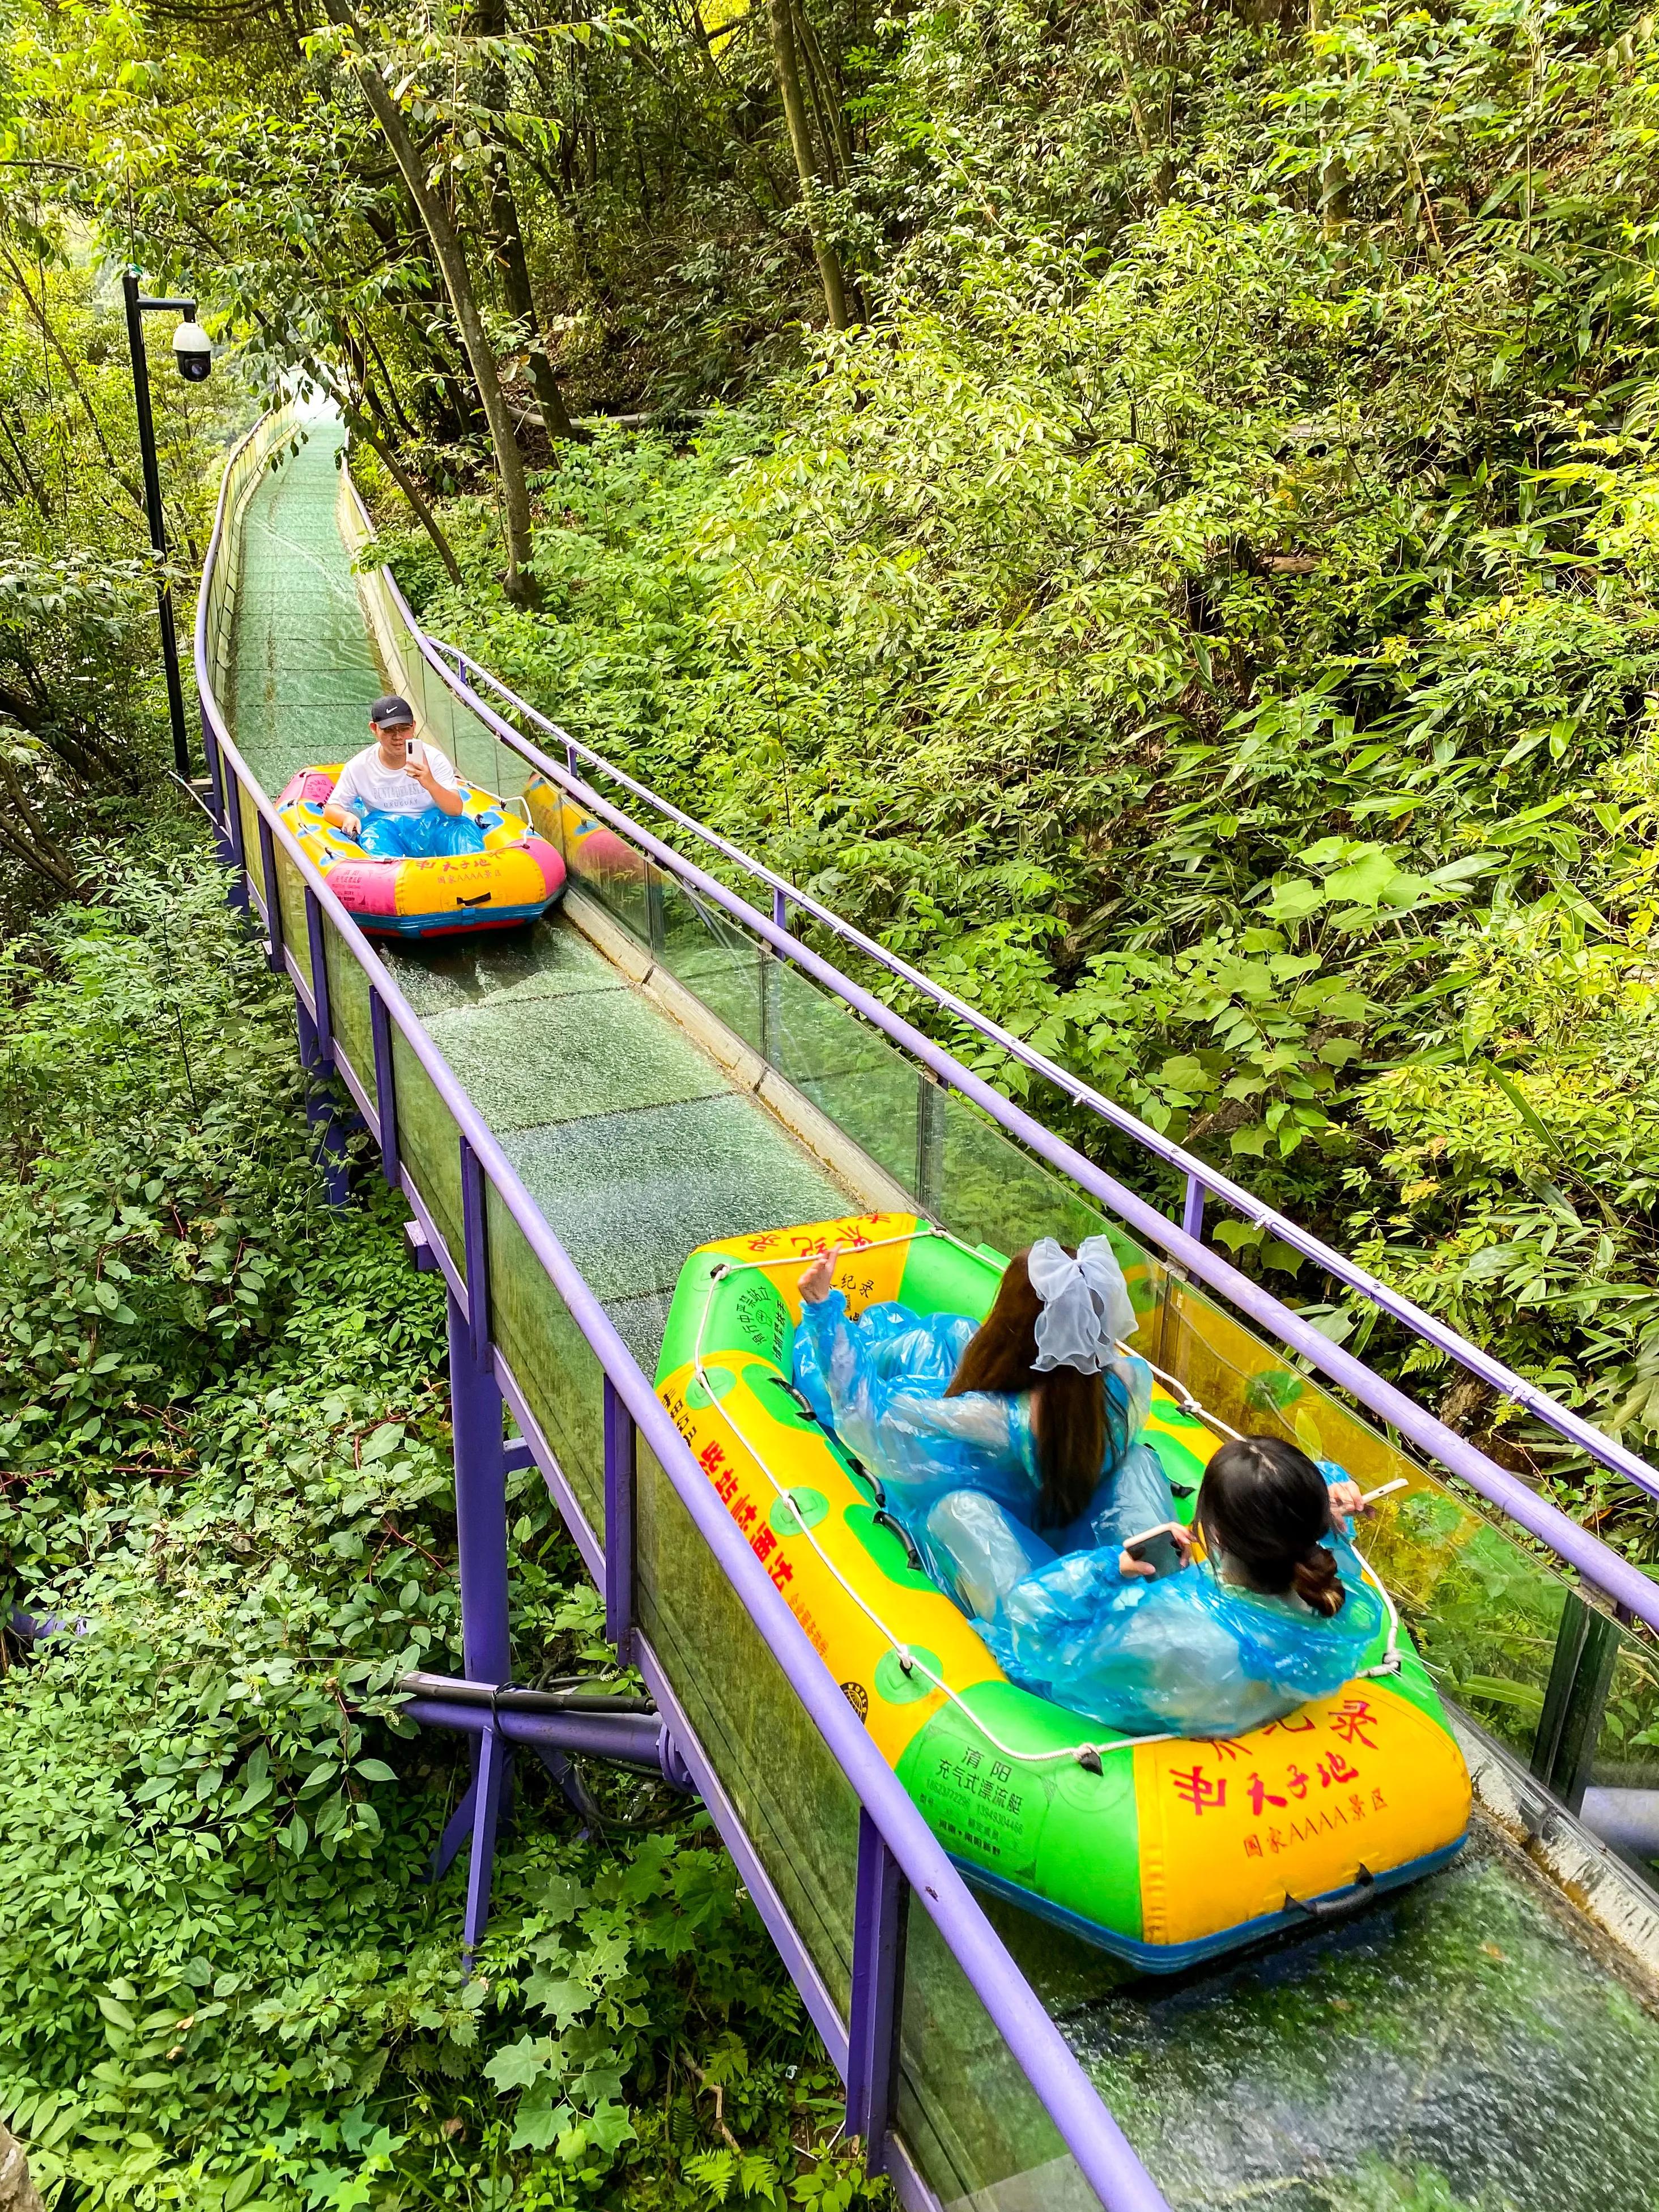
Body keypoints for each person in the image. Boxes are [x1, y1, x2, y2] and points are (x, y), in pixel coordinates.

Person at [926, 1433, 1383, 1739]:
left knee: (960, 1509)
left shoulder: (1166, 1632)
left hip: (1146, 1669)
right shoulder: (1330, 1594)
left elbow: (1036, 1629)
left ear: (1217, 1536)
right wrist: (1332, 1488)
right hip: (1203, 1645)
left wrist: (1107, 1568)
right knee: (1137, 1461)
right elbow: (1302, 1519)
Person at [794, 1236, 1172, 1558]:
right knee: (952, 1332)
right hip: (1058, 1501)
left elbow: (866, 1418)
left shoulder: (991, 1421)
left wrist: (822, 1311)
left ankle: (855, 1339)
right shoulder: (1129, 1379)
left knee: (922, 1343)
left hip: (1004, 1520)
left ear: (1015, 1328)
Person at [322, 695, 487, 861]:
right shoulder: (359, 766)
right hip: (388, 831)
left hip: (435, 826)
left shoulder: (434, 759)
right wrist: (347, 816)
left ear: (413, 726)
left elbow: (455, 810)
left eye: (404, 728)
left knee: (461, 830)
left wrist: (430, 783)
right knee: (374, 835)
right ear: (374, 728)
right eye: (389, 730)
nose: (398, 737)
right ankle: (396, 879)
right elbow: (331, 809)